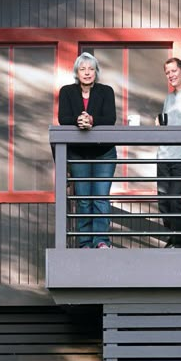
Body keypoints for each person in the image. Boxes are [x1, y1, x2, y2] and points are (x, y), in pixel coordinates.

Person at [58, 52, 117, 249]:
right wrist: (78, 120)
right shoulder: (66, 91)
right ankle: (85, 243)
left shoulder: (106, 91)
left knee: (100, 198)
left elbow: (110, 119)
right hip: (79, 153)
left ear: (96, 72)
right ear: (77, 72)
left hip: (103, 153)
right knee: (83, 200)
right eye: (83, 69)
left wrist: (92, 120)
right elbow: (63, 118)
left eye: (91, 69)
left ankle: (101, 241)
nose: (87, 73)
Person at [156, 57, 181, 248]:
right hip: (163, 155)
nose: (171, 75)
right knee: (163, 202)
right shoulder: (168, 98)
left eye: (174, 71)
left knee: (176, 200)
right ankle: (173, 238)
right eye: (167, 73)